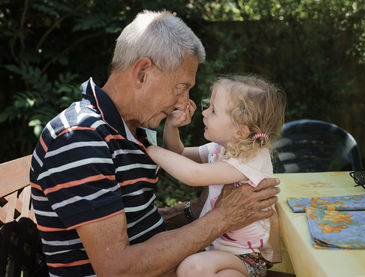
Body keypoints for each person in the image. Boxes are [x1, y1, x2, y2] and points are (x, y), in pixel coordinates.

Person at [29, 10, 280, 277]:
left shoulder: (132, 131)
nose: (183, 103)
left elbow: (134, 223)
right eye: (181, 87)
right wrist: (220, 219)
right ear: (143, 73)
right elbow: (117, 269)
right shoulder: (79, 139)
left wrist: (194, 210)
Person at [146, 75, 286, 277]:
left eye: (213, 110)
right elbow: (179, 155)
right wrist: (171, 126)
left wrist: (151, 150)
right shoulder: (221, 148)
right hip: (215, 252)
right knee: (185, 264)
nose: (203, 113)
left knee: (192, 268)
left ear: (240, 131)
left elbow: (193, 174)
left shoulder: (253, 160)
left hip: (246, 258)